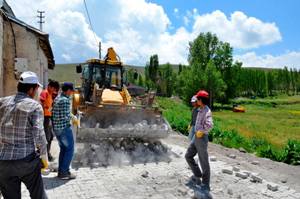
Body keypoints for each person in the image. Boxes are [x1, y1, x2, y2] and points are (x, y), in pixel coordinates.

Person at [0, 71, 48, 199]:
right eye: (37, 89)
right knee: (39, 195)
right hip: (26, 161)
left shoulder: (2, 102)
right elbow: (39, 134)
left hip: (4, 162)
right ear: (32, 89)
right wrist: (44, 158)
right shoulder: (34, 106)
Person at [185, 90, 213, 192]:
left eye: (197, 99)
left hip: (201, 138)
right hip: (196, 137)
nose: (196, 100)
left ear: (201, 100)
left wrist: (202, 131)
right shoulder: (199, 109)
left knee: (204, 161)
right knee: (188, 156)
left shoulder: (207, 111)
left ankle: (206, 184)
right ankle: (197, 174)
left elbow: (210, 125)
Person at [52, 82, 76, 180]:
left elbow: (63, 113)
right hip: (64, 129)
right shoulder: (66, 100)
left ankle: (61, 171)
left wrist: (72, 116)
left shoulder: (57, 98)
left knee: (63, 149)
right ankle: (64, 172)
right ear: (69, 90)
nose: (72, 93)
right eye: (71, 91)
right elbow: (65, 117)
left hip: (57, 129)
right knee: (70, 150)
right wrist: (73, 121)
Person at [40, 80, 60, 161]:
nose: (54, 91)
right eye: (53, 89)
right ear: (50, 87)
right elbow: (41, 101)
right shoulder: (45, 93)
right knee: (47, 137)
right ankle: (45, 155)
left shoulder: (51, 94)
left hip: (48, 117)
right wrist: (46, 107)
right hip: (45, 117)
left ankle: (47, 153)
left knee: (50, 136)